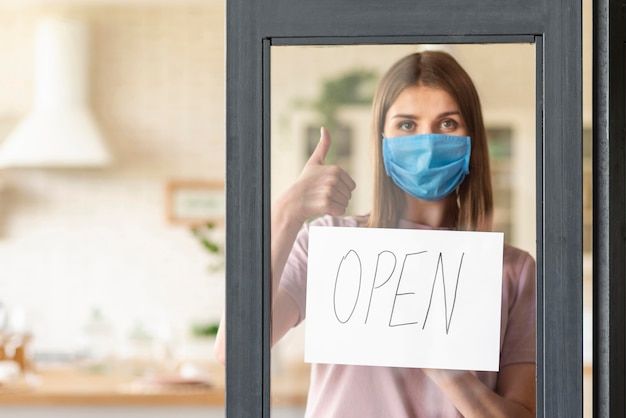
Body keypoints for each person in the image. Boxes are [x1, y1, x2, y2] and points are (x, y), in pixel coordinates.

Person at [215, 50, 536, 417]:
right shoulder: (329, 242)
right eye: (406, 125)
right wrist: (286, 211)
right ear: (381, 139)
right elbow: (233, 351)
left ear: (472, 138)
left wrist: (450, 374)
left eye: (447, 124)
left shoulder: (513, 270)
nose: (427, 142)